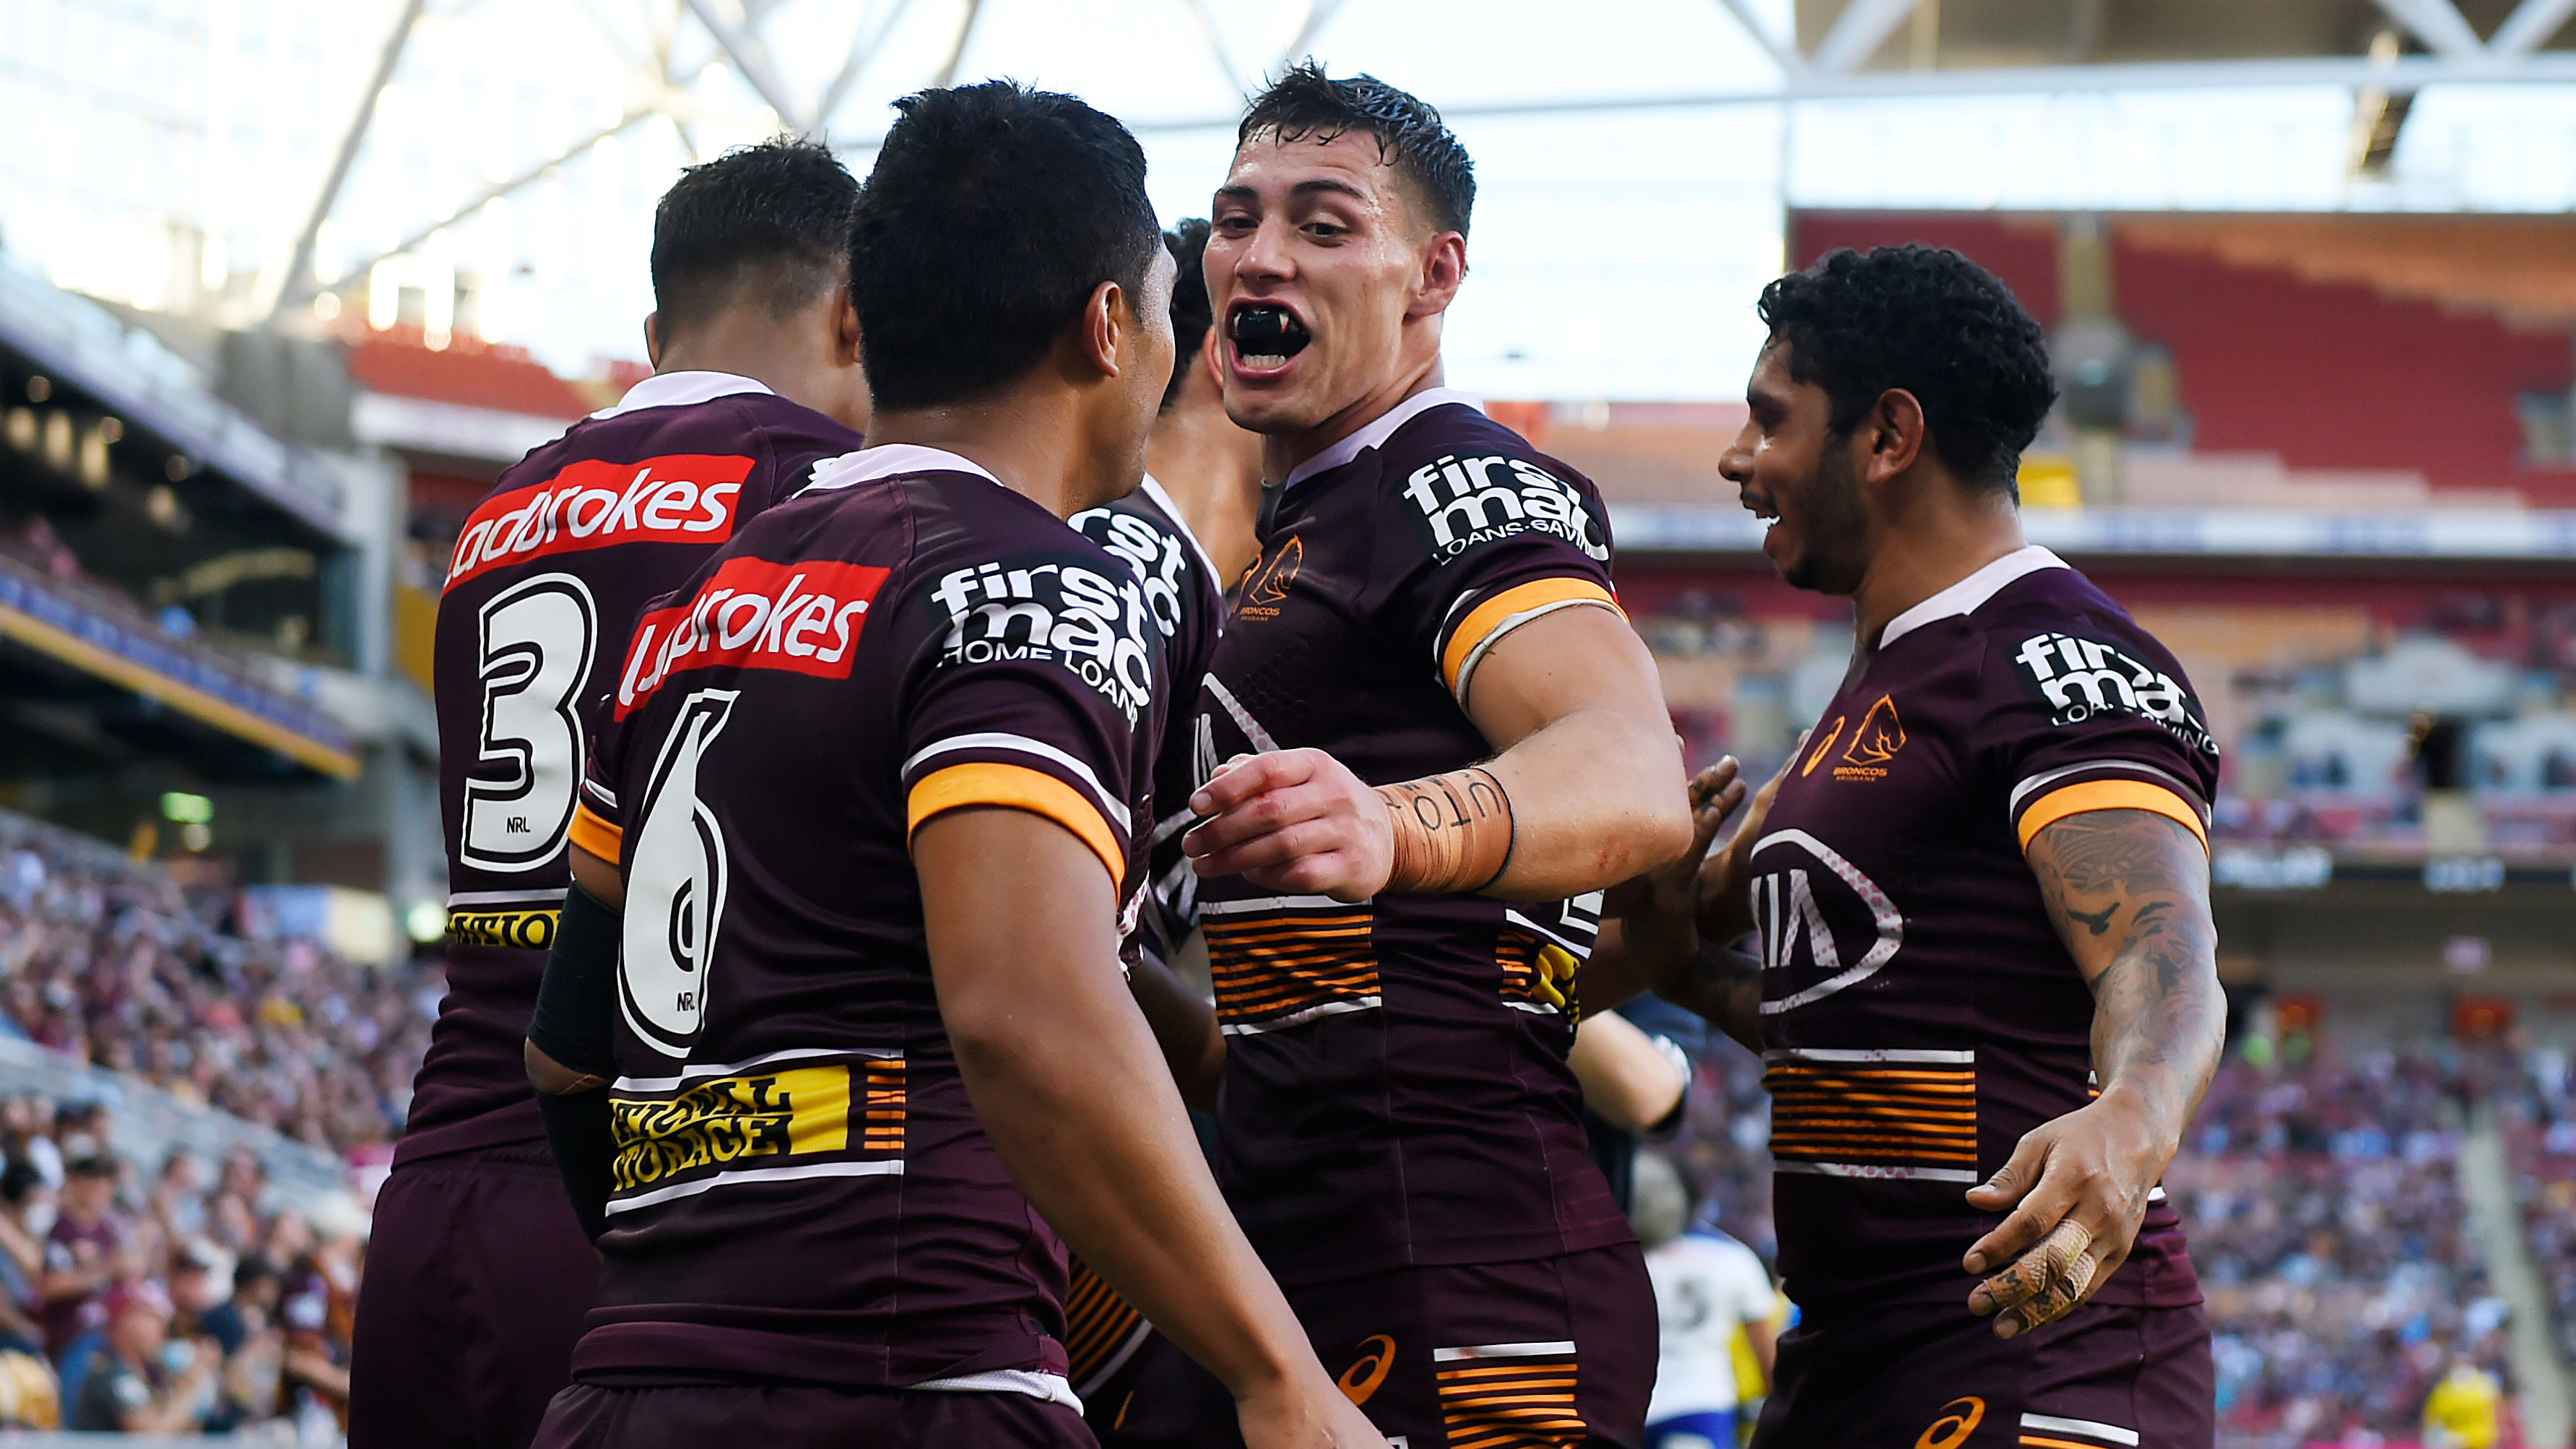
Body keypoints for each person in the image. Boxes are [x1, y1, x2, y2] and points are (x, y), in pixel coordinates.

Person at [521, 80, 1385, 1449]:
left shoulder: (693, 604)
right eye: (1170, 310)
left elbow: (569, 1054)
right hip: (908, 1376)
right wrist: (1278, 1373)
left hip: (626, 1389)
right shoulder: (1037, 586)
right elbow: (1023, 1012)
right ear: (1110, 327)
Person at [1612, 245, 2227, 1447]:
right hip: (1853, 1360)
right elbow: (1856, 1023)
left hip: (2039, 1352)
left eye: (1769, 419)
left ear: (1888, 436)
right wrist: (1684, 967)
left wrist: (2134, 1113)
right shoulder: (1887, 683)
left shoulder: (2052, 656)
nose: (1737, 459)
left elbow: (2160, 941)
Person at [1174, 64, 1694, 1447]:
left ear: (1433, 274)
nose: (1259, 256)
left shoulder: (1446, 481)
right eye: (1235, 217)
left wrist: (1392, 826)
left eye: (1323, 224)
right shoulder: (1311, 522)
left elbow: (1629, 767)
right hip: (1325, 1249)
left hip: (1464, 1270)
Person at [349, 138, 872, 1449]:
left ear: (654, 333)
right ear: (856, 318)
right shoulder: (812, 491)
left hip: (436, 1183)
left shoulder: (495, 510)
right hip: (651, 1199)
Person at [1630, 1152, 1776, 1449]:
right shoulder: (1732, 1257)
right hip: (1701, 1404)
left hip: (1628, 1409)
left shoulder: (1623, 1261)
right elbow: (1768, 1357)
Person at [68, 1280, 216, 1432]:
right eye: (153, 1318)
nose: (162, 1328)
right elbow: (150, 1436)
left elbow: (184, 1432)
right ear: (126, 1320)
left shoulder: (154, 1374)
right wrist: (191, 1388)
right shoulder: (111, 1373)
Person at [2421, 1355, 2503, 1449]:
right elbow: (2434, 1420)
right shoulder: (2444, 1390)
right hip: (2457, 1441)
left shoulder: (2485, 1386)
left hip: (2479, 1440)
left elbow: (2497, 1413)